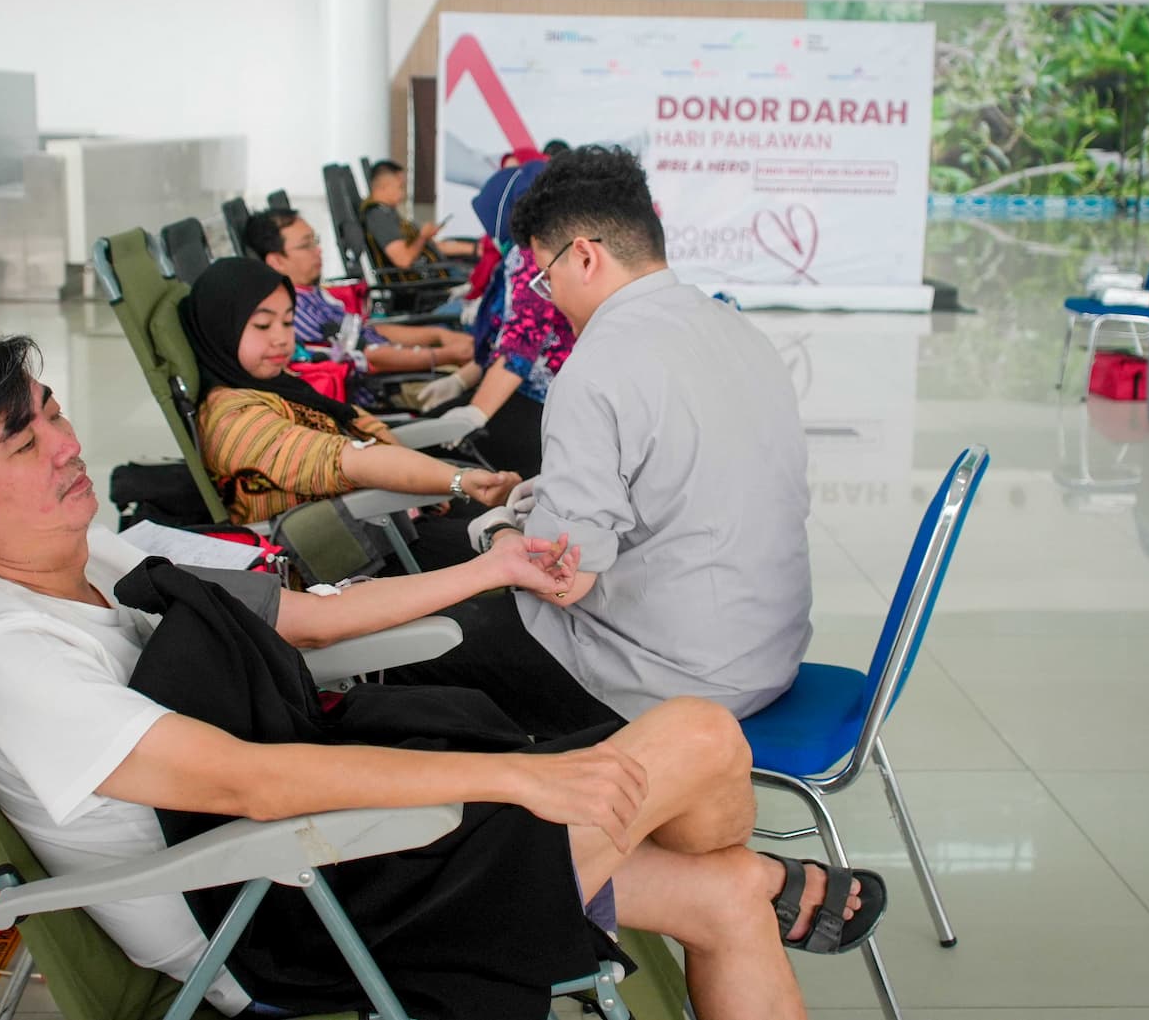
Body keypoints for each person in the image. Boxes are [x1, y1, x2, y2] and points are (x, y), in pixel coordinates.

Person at [0, 323, 885, 1020]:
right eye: (21, 442)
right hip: (278, 905)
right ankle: (717, 884)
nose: (63, 446)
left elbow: (301, 617)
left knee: (725, 895)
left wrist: (496, 561)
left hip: (333, 843)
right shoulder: (19, 660)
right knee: (701, 737)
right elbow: (250, 786)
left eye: (50, 409)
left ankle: (743, 887)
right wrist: (510, 779)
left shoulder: (88, 554)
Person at [390, 146, 813, 729]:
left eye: (546, 276)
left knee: (407, 650)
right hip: (767, 652)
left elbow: (563, 582)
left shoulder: (596, 368)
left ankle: (543, 809)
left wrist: (504, 533)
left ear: (584, 256)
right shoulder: (737, 328)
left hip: (666, 681)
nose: (550, 297)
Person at [179, 255, 518, 532]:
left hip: (384, 516)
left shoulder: (274, 384)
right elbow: (348, 460)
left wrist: (435, 482)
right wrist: (454, 480)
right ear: (221, 328)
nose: (282, 339)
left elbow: (356, 429)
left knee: (514, 520)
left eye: (288, 321)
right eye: (263, 325)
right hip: (347, 554)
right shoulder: (236, 422)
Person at [417, 158, 575, 477]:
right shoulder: (553, 246)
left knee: (417, 456)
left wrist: (476, 412)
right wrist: (463, 379)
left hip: (541, 409)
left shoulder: (528, 253)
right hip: (557, 403)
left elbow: (522, 345)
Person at [241, 207, 477, 375]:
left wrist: (437, 336)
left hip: (408, 362)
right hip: (390, 387)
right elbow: (367, 356)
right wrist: (444, 355)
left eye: (316, 241)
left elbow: (367, 331)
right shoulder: (293, 312)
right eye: (306, 245)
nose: (318, 251)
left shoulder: (313, 294)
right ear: (276, 261)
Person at [363, 159, 477, 269]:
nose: (403, 194)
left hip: (436, 266)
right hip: (429, 278)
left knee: (475, 248)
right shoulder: (379, 218)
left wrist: (475, 249)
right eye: (400, 187)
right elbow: (404, 260)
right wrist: (422, 237)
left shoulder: (386, 213)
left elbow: (432, 247)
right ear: (384, 187)